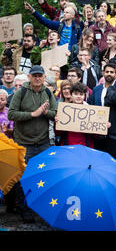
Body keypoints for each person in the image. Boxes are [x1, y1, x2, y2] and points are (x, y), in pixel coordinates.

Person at [8, 65, 57, 223]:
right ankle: (24, 210)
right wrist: (32, 114)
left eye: (40, 76)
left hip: (43, 143)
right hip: (24, 143)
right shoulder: (21, 92)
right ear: (29, 77)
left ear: (44, 77)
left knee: (44, 177)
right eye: (34, 75)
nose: (37, 78)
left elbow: (55, 113)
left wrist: (45, 113)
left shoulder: (48, 93)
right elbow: (11, 114)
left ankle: (41, 207)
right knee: (24, 178)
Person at [55, 82, 95, 147]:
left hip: (85, 147)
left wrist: (103, 126)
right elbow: (58, 133)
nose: (78, 97)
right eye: (76, 94)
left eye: (81, 94)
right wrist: (56, 122)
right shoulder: (64, 110)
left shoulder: (91, 111)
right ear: (71, 95)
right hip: (67, 146)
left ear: (84, 96)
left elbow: (96, 135)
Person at [88, 63, 116, 151]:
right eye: (107, 71)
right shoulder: (96, 89)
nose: (109, 74)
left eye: (111, 72)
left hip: (114, 130)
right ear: (103, 73)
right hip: (98, 131)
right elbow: (92, 106)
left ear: (115, 74)